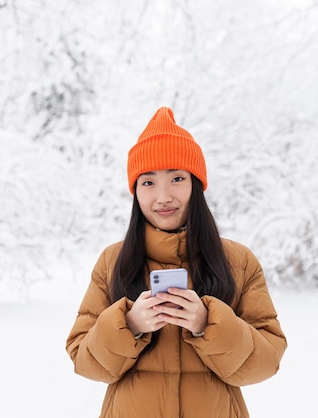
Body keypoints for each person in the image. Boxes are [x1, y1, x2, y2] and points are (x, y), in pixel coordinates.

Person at [66, 107, 287, 418]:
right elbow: (82, 359)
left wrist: (207, 324)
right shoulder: (112, 262)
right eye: (148, 182)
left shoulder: (239, 262)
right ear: (135, 191)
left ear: (196, 184)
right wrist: (128, 325)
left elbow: (267, 361)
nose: (163, 196)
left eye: (177, 178)